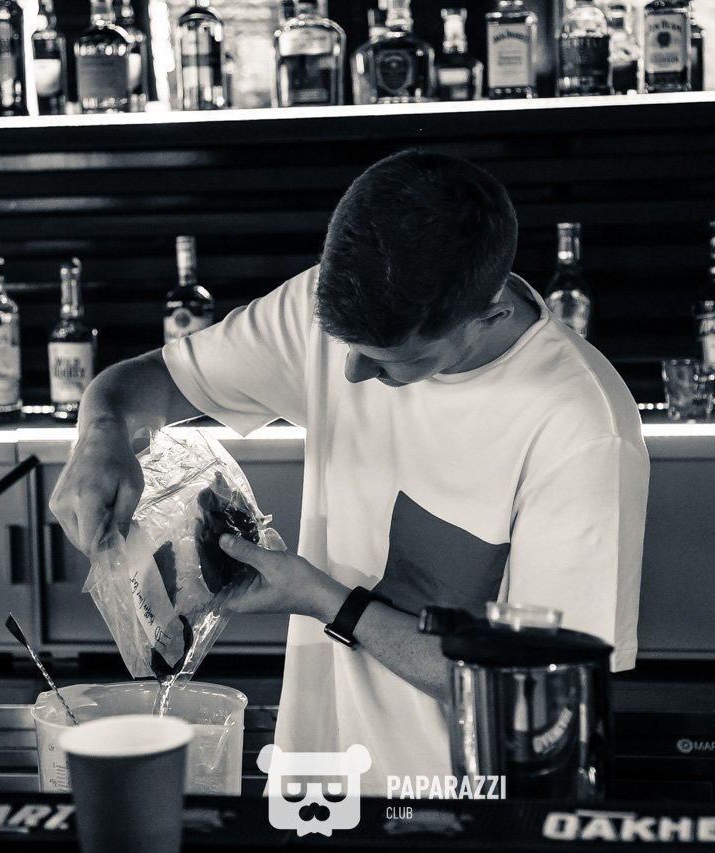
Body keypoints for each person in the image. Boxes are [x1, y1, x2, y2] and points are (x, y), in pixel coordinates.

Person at [49, 149, 650, 795]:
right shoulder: (320, 309)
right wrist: (102, 434)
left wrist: (324, 600)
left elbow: (543, 698)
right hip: (317, 789)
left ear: (489, 317)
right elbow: (153, 381)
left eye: (388, 359)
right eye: (345, 347)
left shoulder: (582, 428)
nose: (352, 375)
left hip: (460, 809)